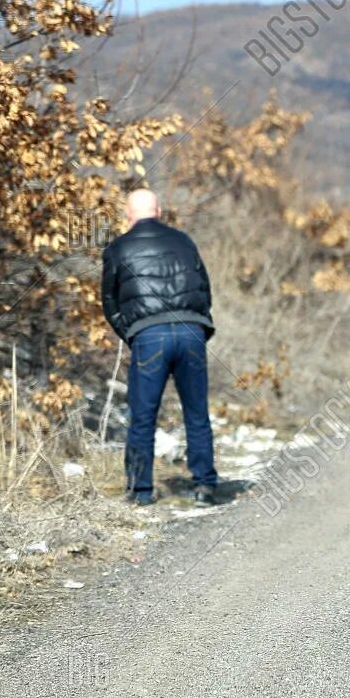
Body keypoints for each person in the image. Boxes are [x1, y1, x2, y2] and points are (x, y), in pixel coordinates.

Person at [101, 189, 219, 506]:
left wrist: (133, 334)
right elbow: (204, 289)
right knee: (196, 413)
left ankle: (141, 491)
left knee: (143, 416)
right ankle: (205, 485)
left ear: (128, 215)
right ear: (160, 211)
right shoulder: (184, 241)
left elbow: (109, 304)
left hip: (148, 335)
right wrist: (197, 324)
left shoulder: (118, 248)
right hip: (190, 330)